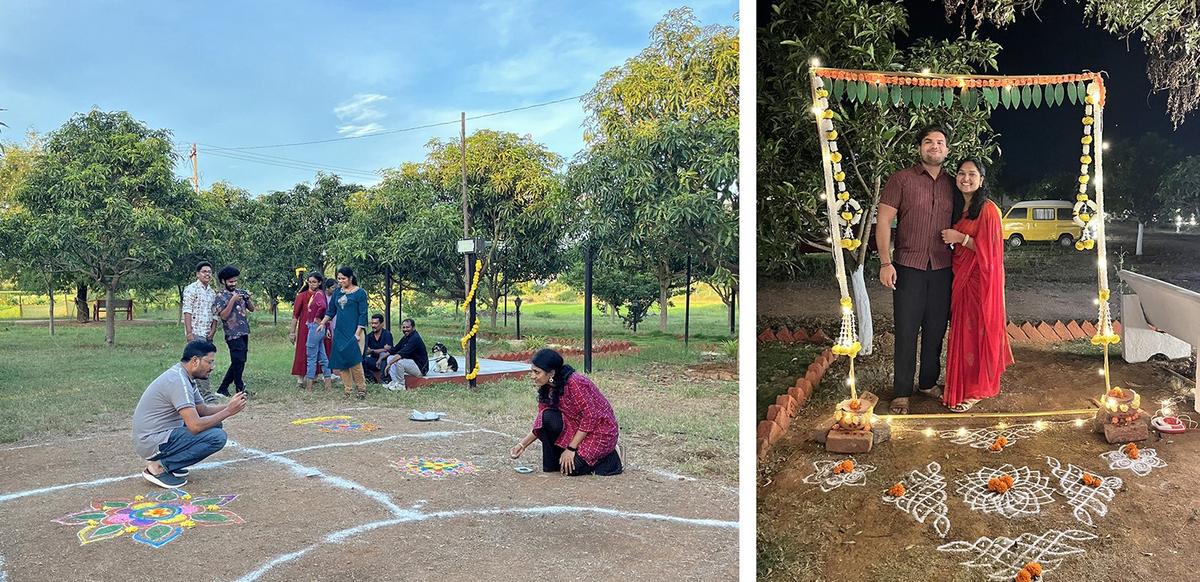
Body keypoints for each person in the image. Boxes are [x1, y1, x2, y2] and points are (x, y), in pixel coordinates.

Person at [876, 126, 956, 415]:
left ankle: (927, 383)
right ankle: (901, 392)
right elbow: (884, 221)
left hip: (943, 269)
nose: (934, 146)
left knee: (936, 330)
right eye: (928, 142)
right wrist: (886, 262)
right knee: (907, 330)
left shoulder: (953, 184)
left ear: (947, 150)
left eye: (940, 142)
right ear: (920, 148)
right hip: (907, 267)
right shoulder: (901, 180)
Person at [940, 159, 1015, 412]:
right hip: (960, 280)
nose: (966, 178)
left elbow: (992, 251)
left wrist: (961, 238)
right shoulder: (960, 208)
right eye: (961, 173)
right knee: (962, 334)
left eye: (972, 174)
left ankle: (975, 390)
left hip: (980, 282)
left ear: (982, 180)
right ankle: (960, 384)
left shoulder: (989, 210)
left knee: (976, 335)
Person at [132, 340, 247, 488]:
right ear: (195, 361)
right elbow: (195, 426)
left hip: (158, 435)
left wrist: (231, 405)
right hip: (151, 441)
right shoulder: (178, 381)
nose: (212, 367)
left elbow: (202, 411)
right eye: (210, 362)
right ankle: (159, 467)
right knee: (217, 437)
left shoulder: (185, 376)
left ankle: (170, 463)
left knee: (216, 424)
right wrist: (229, 411)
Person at [509, 349, 623, 476]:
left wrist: (571, 448)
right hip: (575, 427)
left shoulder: (575, 382)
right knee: (547, 418)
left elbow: (590, 416)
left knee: (572, 469)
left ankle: (611, 455)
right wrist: (522, 445)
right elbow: (541, 422)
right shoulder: (547, 387)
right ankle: (557, 461)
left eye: (537, 372)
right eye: (532, 371)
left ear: (551, 373)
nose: (532, 376)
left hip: (599, 431)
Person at [317, 266, 368, 399]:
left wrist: (358, 333)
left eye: (343, 278)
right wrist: (323, 323)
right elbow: (331, 311)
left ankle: (361, 389)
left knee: (355, 361)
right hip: (340, 331)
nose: (340, 281)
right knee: (342, 362)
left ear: (350, 278)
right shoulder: (337, 293)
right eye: (339, 279)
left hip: (354, 331)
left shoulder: (360, 293)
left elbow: (363, 314)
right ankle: (347, 390)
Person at [212, 265, 254, 397]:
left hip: (243, 331)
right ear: (224, 281)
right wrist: (232, 300)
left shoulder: (240, 292)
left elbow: (252, 309)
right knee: (238, 360)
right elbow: (223, 316)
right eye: (230, 281)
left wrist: (248, 299)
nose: (233, 284)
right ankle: (239, 388)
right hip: (232, 333)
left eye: (235, 281)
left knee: (240, 360)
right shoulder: (220, 296)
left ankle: (223, 389)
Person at [181, 261, 219, 403]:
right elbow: (187, 311)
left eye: (209, 272)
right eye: (204, 271)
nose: (207, 274)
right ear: (198, 274)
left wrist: (213, 330)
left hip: (207, 333)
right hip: (196, 331)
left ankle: (198, 392)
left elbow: (215, 313)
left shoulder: (211, 293)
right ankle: (205, 394)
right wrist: (189, 332)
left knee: (207, 362)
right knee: (199, 363)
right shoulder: (191, 289)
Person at [293, 272, 334, 392]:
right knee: (323, 356)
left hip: (314, 327)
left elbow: (323, 308)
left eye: (314, 282)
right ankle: (327, 386)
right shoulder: (308, 295)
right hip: (318, 328)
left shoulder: (318, 295)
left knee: (311, 356)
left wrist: (317, 318)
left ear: (320, 283)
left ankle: (309, 386)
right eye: (309, 282)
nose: (311, 284)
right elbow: (295, 315)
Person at [384, 318, 428, 390]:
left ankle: (401, 385)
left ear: (413, 328)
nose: (405, 329)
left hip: (420, 368)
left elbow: (400, 354)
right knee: (390, 358)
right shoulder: (406, 337)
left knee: (399, 362)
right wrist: (382, 357)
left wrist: (388, 364)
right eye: (403, 327)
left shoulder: (415, 338)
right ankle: (395, 382)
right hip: (411, 363)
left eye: (407, 327)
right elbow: (395, 349)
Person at [362, 314, 394, 383]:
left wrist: (372, 351)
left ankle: (384, 380)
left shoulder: (387, 334)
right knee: (362, 360)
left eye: (376, 323)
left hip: (384, 361)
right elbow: (366, 351)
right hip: (374, 360)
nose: (373, 325)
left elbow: (389, 350)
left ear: (382, 324)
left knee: (384, 355)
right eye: (372, 323)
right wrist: (382, 349)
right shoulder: (369, 336)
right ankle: (371, 379)